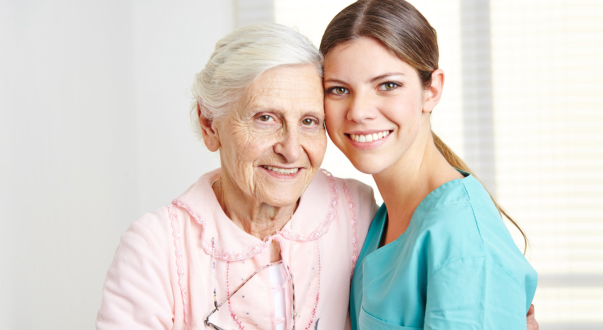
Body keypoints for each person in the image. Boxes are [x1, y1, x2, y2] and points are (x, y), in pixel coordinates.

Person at [97, 23, 378, 330]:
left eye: (309, 121)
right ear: (209, 124)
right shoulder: (155, 247)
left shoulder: (357, 213)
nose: (291, 150)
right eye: (265, 118)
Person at [320, 1, 540, 329]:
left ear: (431, 90)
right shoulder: (377, 219)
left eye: (388, 85)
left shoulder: (465, 243)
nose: (359, 111)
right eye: (339, 90)